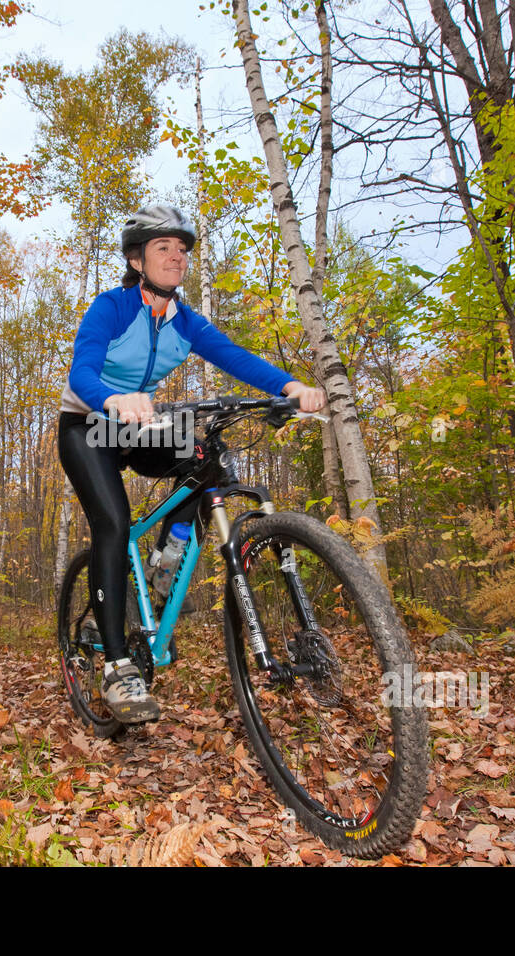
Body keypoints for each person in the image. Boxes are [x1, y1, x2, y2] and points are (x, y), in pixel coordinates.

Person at [58, 203, 325, 724]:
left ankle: (169, 554)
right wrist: (112, 400)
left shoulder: (186, 321)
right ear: (137, 259)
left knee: (208, 456)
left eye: (182, 250)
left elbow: (235, 356)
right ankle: (116, 667)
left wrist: (288, 386)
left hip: (142, 424)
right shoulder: (111, 308)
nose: (177, 257)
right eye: (164, 248)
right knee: (112, 523)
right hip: (89, 424)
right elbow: (82, 370)